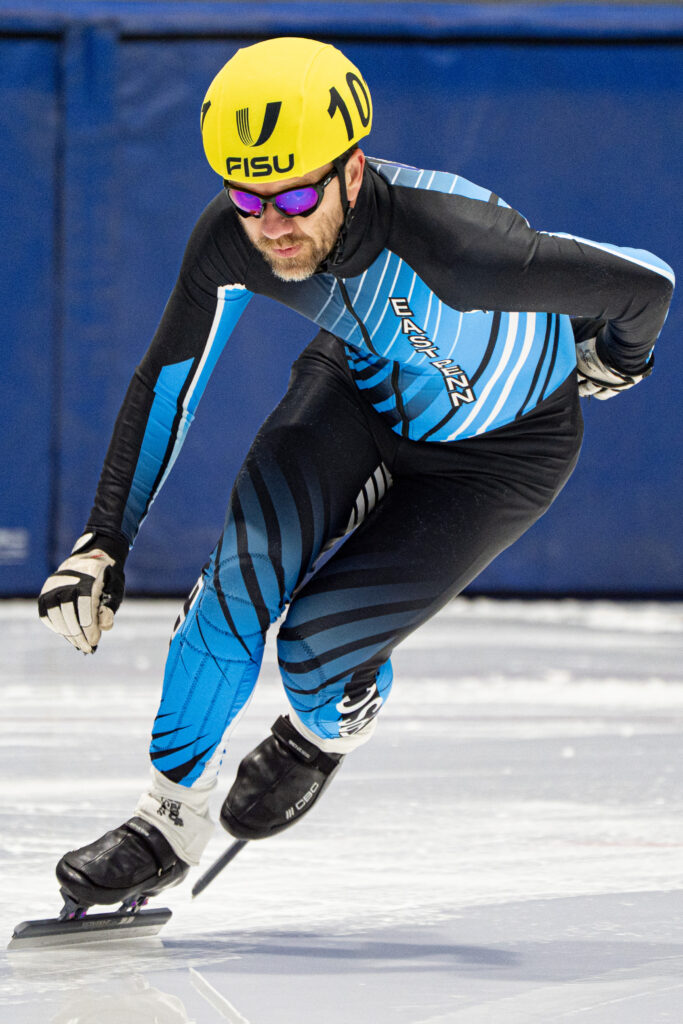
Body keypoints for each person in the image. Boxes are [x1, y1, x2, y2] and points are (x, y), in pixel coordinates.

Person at [38, 37, 674, 910]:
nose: (273, 226)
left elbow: (648, 286)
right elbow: (167, 383)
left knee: (313, 656)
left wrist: (615, 360)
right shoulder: (233, 240)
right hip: (357, 391)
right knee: (238, 581)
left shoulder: (460, 244)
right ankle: (165, 821)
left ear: (352, 169)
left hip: (498, 456)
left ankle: (320, 734)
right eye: (247, 196)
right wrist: (103, 538)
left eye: (297, 195)